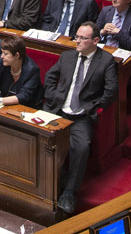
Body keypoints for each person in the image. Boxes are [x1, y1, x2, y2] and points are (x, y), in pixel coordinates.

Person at [44, 22, 115, 216]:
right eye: (77, 37)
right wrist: (53, 97)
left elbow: (111, 91)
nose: (77, 41)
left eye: (83, 38)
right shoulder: (67, 56)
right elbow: (50, 77)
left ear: (95, 40)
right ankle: (55, 181)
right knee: (41, 138)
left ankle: (69, 192)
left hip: (82, 115)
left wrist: (93, 107)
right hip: (58, 110)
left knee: (82, 146)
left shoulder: (105, 60)